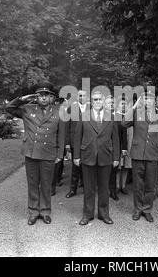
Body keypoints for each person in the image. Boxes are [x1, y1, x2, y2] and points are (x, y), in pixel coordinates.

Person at [6, 81, 65, 225]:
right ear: (36, 97)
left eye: (47, 95)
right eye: (40, 95)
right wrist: (23, 98)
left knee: (46, 184)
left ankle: (45, 211)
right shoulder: (27, 109)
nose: (43, 98)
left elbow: (61, 135)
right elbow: (9, 108)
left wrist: (60, 154)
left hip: (48, 152)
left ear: (51, 97)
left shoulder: (59, 112)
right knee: (32, 183)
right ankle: (33, 212)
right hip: (31, 152)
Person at [73, 90, 120, 225]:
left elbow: (115, 138)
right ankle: (87, 214)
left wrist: (116, 157)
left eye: (100, 99)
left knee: (104, 187)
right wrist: (76, 155)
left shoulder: (110, 116)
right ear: (91, 101)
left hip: (105, 156)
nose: (97, 102)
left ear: (103, 101)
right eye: (95, 100)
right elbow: (77, 137)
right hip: (88, 156)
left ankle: (104, 214)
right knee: (89, 187)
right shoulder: (84, 115)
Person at [122, 92, 158, 223]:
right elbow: (124, 123)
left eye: (151, 99)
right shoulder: (136, 113)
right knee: (138, 184)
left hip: (152, 154)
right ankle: (138, 209)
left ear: (154, 101)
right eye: (146, 98)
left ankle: (147, 210)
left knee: (150, 184)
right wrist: (134, 106)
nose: (148, 101)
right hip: (138, 153)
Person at [65, 90, 90, 198]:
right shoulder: (72, 108)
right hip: (75, 142)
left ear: (87, 97)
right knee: (75, 167)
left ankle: (86, 188)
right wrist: (67, 144)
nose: (82, 97)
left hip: (88, 142)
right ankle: (72, 189)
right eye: (80, 96)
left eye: (84, 96)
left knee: (87, 166)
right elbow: (67, 127)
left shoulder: (92, 108)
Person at [115, 98, 131, 195]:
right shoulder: (115, 116)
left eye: (125, 104)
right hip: (119, 144)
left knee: (126, 166)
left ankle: (123, 186)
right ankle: (117, 186)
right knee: (118, 167)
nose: (124, 106)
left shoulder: (128, 116)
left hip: (128, 143)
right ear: (118, 105)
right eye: (122, 104)